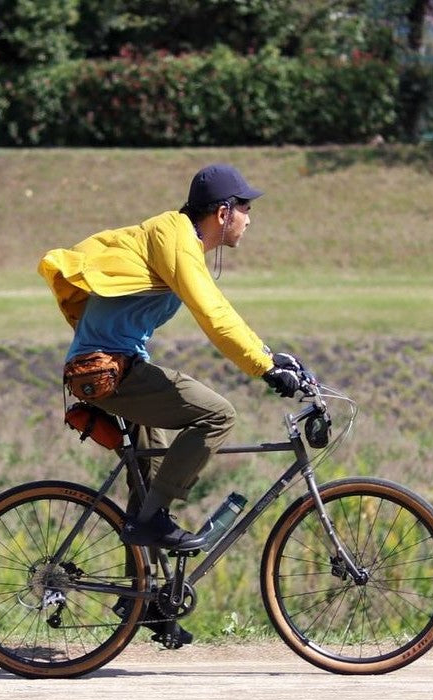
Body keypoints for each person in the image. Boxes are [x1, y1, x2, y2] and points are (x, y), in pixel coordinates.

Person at [38, 163, 308, 549]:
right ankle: (153, 522)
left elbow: (215, 310)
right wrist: (264, 368)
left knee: (150, 480)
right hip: (108, 370)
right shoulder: (176, 240)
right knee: (218, 415)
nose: (249, 219)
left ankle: (143, 604)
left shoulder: (177, 238)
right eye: (246, 208)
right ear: (223, 212)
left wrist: (271, 357)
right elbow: (213, 313)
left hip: (119, 365)